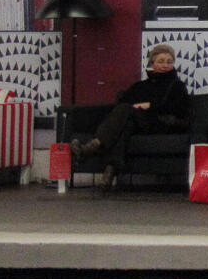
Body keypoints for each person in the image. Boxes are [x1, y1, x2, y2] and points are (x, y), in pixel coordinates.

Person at [72, 42, 190, 191]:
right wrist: (135, 108)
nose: (165, 65)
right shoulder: (141, 86)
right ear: (152, 63)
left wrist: (150, 105)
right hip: (139, 124)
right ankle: (108, 175)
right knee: (125, 124)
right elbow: (121, 104)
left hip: (162, 124)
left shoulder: (177, 86)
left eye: (169, 61)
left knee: (126, 112)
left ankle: (93, 146)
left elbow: (179, 109)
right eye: (161, 61)